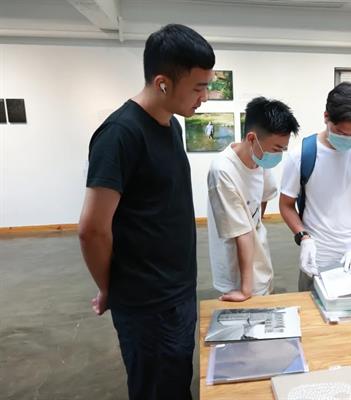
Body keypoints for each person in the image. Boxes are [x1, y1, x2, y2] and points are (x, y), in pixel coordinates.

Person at [78, 24, 214, 400]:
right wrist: (111, 288)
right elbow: (92, 229)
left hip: (178, 291)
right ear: (163, 83)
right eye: (198, 87)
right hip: (146, 303)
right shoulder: (120, 134)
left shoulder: (171, 126)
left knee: (176, 383)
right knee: (155, 389)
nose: (204, 97)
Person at [279, 82, 351, 291]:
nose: (349, 139)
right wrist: (303, 238)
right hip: (316, 260)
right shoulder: (302, 154)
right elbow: (286, 205)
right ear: (326, 117)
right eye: (341, 132)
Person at [207, 97, 299, 302]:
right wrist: (245, 290)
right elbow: (242, 233)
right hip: (237, 270)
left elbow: (264, 197)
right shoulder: (223, 171)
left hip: (260, 258)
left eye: (283, 149)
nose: (279, 155)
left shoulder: (260, 159)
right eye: (276, 148)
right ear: (251, 138)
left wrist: (255, 223)